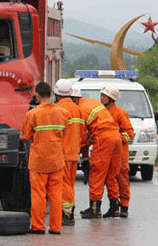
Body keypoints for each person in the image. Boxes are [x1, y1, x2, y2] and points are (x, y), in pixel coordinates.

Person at [22, 82, 68, 235]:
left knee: (38, 194)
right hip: (56, 159)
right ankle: (56, 227)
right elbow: (65, 133)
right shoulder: (63, 112)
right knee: (55, 195)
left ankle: (38, 226)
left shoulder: (32, 114)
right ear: (51, 94)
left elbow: (26, 136)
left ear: (37, 95)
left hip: (38, 160)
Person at [77, 93, 122, 219]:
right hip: (115, 136)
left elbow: (82, 137)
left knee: (97, 173)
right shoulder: (91, 101)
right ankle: (114, 207)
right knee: (111, 174)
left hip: (103, 138)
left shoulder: (80, 110)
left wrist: (79, 152)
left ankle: (95, 208)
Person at [100, 86, 134, 218]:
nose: (101, 98)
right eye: (101, 95)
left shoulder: (120, 113)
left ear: (111, 99)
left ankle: (124, 205)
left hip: (120, 154)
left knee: (122, 180)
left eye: (104, 96)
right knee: (110, 180)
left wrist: (115, 139)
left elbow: (129, 132)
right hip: (106, 153)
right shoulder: (100, 112)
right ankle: (113, 205)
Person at [54, 79, 83, 226]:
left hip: (63, 154)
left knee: (64, 185)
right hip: (73, 153)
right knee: (70, 184)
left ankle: (67, 214)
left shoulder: (59, 109)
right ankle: (70, 210)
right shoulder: (76, 108)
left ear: (57, 94)